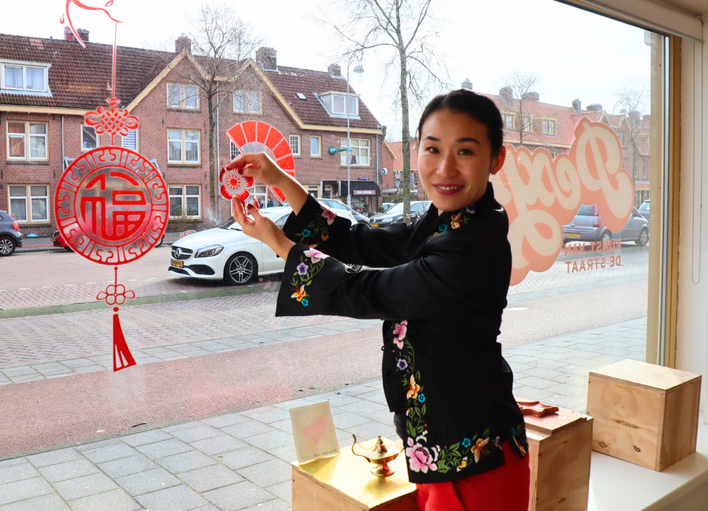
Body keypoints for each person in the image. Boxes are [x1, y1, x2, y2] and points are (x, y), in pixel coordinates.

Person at [227, 89, 530, 511]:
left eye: (465, 151)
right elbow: (359, 242)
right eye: (432, 149)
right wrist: (279, 179)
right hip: (446, 452)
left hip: (475, 464)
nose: (445, 168)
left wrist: (277, 241)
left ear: (496, 159)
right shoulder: (448, 221)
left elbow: (366, 290)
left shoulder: (471, 247)